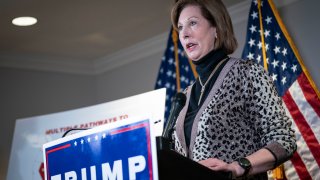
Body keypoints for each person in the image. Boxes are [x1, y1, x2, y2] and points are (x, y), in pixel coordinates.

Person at [170, 0, 297, 179]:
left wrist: (239, 166)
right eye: (180, 27)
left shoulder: (246, 73)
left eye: (192, 23)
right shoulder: (182, 98)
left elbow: (284, 140)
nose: (184, 34)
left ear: (216, 27)